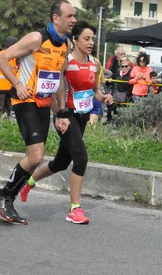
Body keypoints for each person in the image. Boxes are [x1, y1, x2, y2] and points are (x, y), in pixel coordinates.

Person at [0, 0, 76, 225]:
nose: (74, 20)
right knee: (36, 156)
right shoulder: (36, 38)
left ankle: (6, 197)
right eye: (69, 16)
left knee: (35, 159)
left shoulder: (65, 44)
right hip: (25, 100)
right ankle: (4, 196)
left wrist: (61, 113)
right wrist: (17, 83)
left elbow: (58, 80)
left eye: (74, 16)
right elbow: (0, 58)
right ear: (56, 18)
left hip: (43, 104)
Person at [19, 20, 113, 224]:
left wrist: (104, 97)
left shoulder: (95, 63)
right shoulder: (66, 61)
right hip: (66, 115)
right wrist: (59, 112)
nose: (90, 43)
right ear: (75, 40)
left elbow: (96, 92)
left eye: (92, 39)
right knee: (81, 158)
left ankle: (30, 181)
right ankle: (75, 209)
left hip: (83, 116)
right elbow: (55, 87)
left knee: (61, 162)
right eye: (86, 39)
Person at [0, 35, 18, 118]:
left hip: (9, 89)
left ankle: (5, 127)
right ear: (10, 46)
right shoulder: (0, 56)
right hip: (0, 88)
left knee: (7, 112)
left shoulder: (13, 57)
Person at [106, 57, 133, 122]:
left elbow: (131, 86)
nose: (124, 68)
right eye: (122, 66)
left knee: (122, 110)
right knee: (113, 108)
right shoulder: (117, 73)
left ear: (129, 67)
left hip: (125, 96)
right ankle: (110, 120)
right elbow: (113, 82)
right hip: (116, 93)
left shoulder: (131, 75)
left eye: (126, 66)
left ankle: (120, 123)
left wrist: (127, 94)